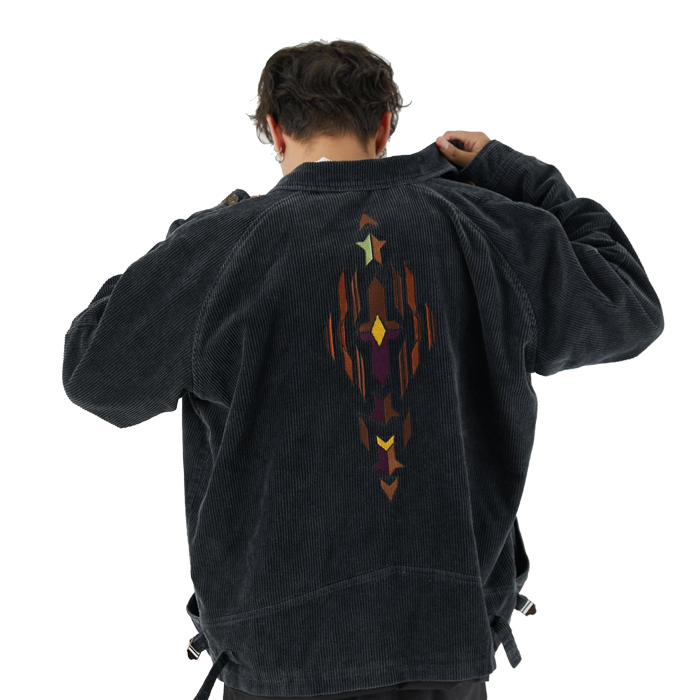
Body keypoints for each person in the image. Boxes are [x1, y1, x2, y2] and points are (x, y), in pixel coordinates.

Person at [62, 40, 664, 700]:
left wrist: (203, 233)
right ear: (383, 126)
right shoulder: (480, 227)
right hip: (443, 646)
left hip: (278, 661)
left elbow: (96, 371)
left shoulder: (225, 248)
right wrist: (514, 173)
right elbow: (627, 302)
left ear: (275, 129)